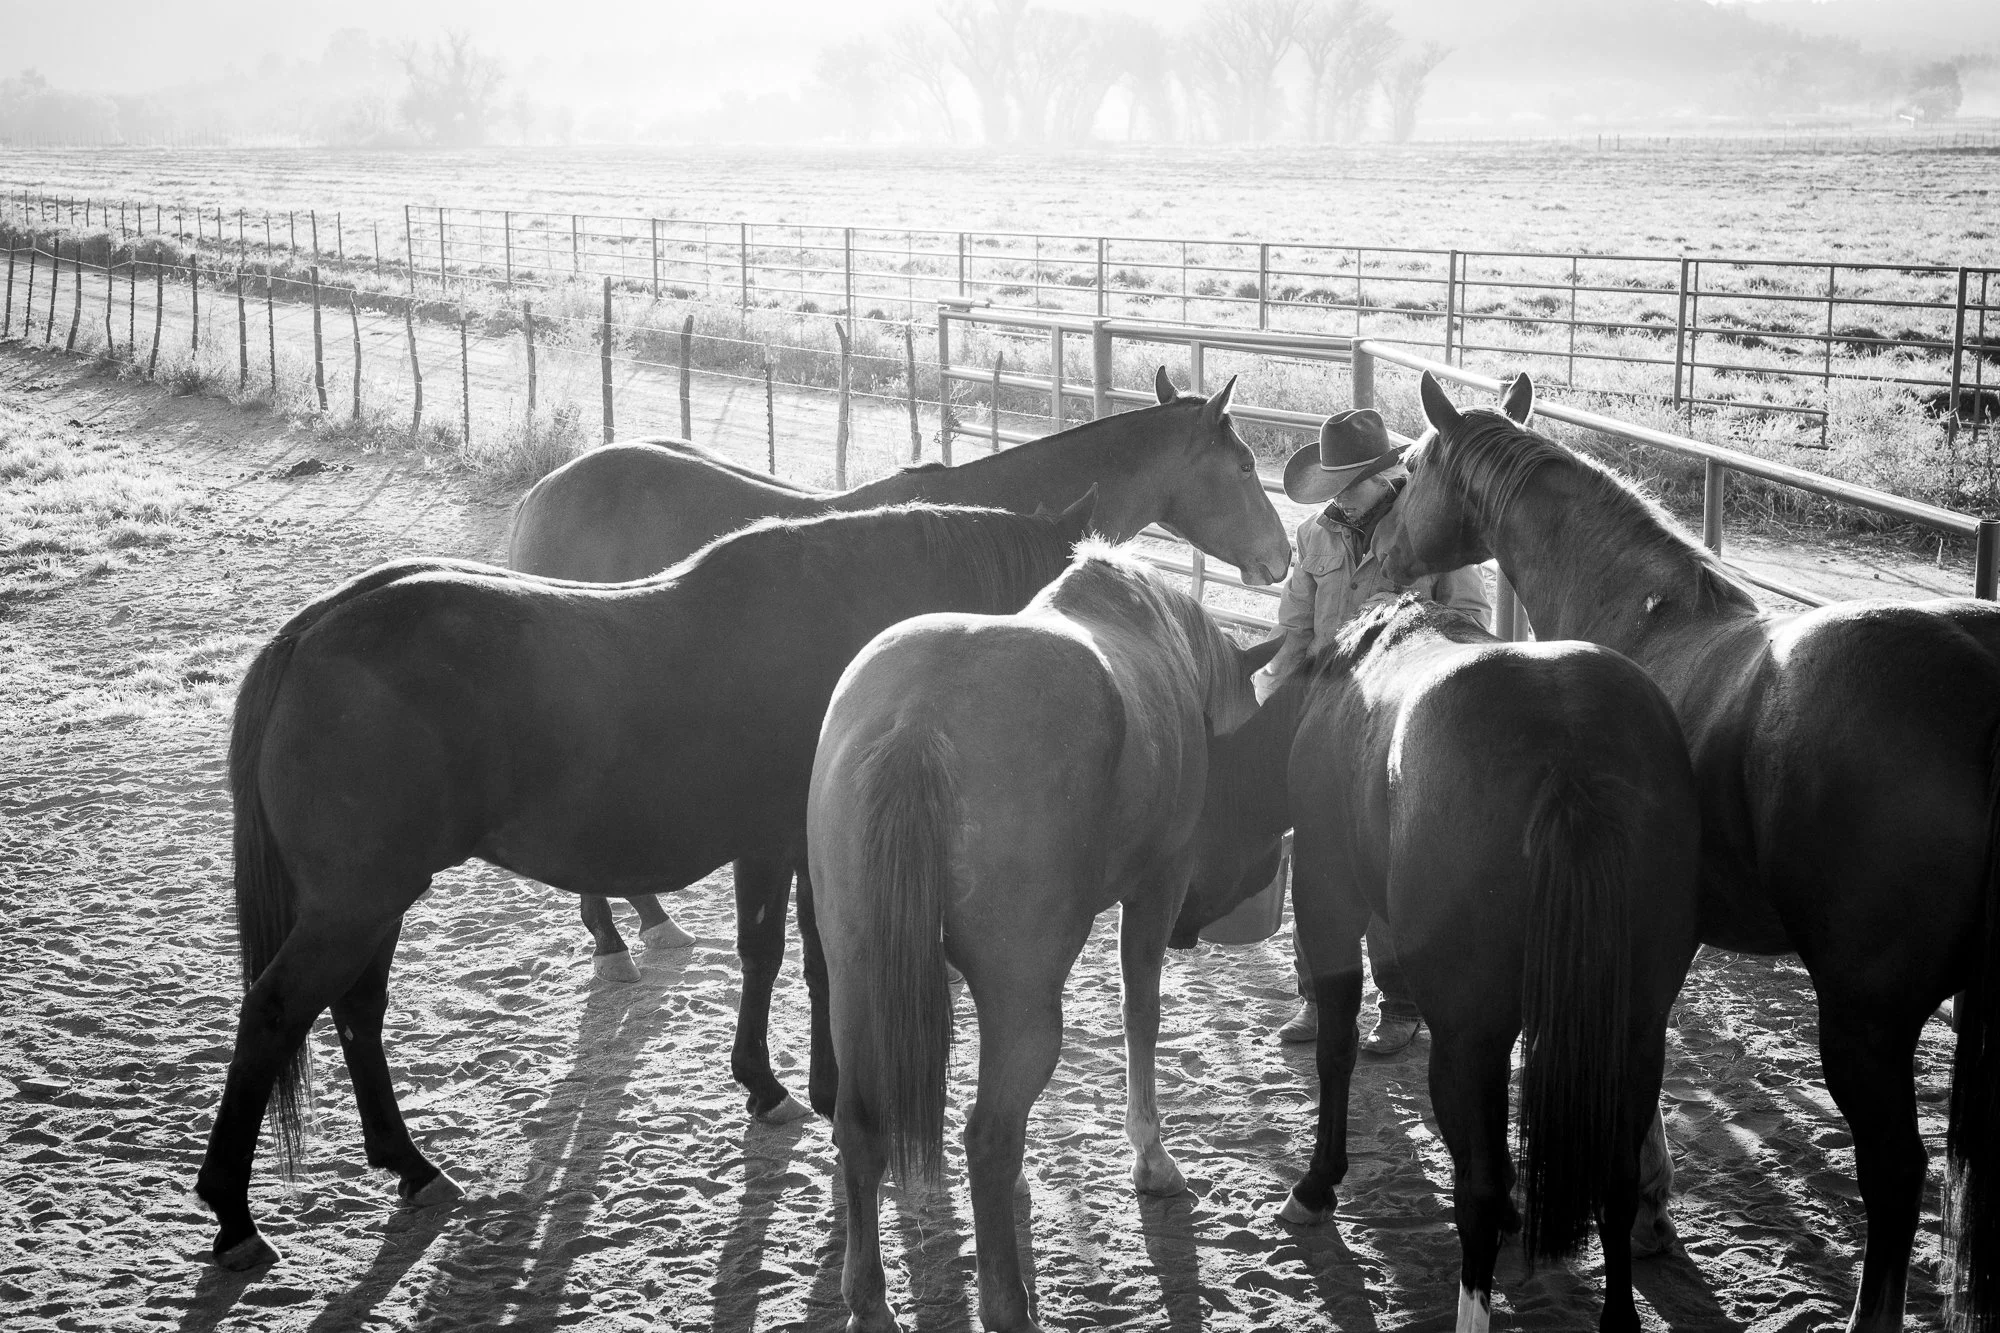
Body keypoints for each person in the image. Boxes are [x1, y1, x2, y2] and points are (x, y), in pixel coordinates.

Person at [1258, 406, 1490, 1055]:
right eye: (1334, 482)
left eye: (1349, 480)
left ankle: (1401, 1003)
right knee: (1318, 856)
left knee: (1390, 856)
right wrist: (1278, 704)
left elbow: (1469, 613)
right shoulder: (1315, 537)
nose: (1339, 494)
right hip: (1329, 713)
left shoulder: (1429, 532)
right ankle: (1317, 997)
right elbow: (1294, 631)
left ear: (1382, 475)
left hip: (1400, 713)